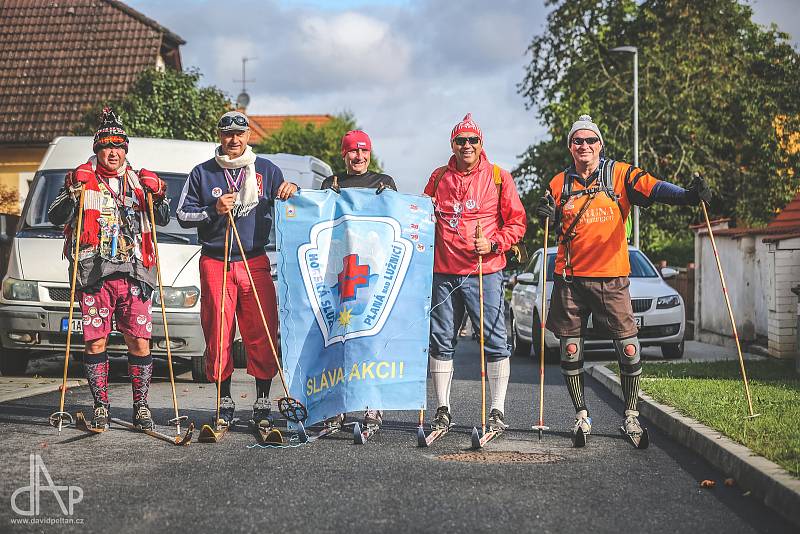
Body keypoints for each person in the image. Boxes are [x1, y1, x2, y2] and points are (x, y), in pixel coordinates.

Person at [535, 114, 711, 442]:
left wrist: (687, 196)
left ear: (600, 145)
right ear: (570, 147)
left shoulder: (620, 174)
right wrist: (546, 213)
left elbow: (655, 188)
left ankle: (630, 417)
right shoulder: (558, 183)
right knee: (570, 350)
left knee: (629, 349)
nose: (584, 145)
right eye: (578, 141)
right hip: (570, 278)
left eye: (590, 140)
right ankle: (581, 417)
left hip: (612, 278)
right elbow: (550, 215)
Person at [47, 107, 169, 430]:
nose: (112, 152)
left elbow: (165, 218)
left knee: (140, 341)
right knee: (94, 342)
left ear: (125, 150)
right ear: (97, 150)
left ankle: (141, 406)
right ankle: (101, 405)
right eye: (106, 146)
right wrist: (73, 187)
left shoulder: (138, 181)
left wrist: (157, 192)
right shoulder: (83, 178)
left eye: (118, 146)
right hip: (94, 274)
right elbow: (55, 217)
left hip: (135, 273)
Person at [176, 111, 297, 429]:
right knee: (218, 333)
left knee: (262, 331)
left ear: (248, 136)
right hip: (216, 260)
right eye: (227, 134)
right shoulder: (203, 173)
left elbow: (287, 204)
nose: (234, 139)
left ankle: (262, 401)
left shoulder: (267, 170)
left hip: (255, 260)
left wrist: (291, 189)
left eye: (239, 134)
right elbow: (182, 214)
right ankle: (224, 400)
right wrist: (211, 210)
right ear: (219, 136)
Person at [424, 113, 527, 431]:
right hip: (443, 273)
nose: (467, 145)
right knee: (441, 341)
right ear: (452, 144)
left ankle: (497, 411)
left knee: (495, 341)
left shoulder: (499, 177)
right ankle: (443, 409)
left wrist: (495, 244)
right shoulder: (439, 177)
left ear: (482, 144)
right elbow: (420, 217)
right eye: (460, 140)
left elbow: (517, 223)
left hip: (484, 273)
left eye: (473, 140)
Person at [319, 130, 397, 431]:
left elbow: (397, 220)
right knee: (339, 342)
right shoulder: (332, 184)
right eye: (353, 151)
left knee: (370, 340)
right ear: (344, 155)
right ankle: (336, 406)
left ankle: (371, 407)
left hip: (372, 272)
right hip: (340, 273)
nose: (359, 156)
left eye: (364, 151)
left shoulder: (383, 182)